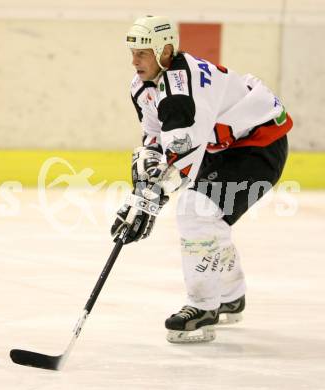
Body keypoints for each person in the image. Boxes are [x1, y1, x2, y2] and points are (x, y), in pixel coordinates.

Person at [111, 15, 293, 343]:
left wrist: (147, 202)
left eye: (143, 52)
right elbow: (154, 141)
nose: (134, 60)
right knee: (208, 218)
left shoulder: (182, 94)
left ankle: (204, 306)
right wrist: (140, 191)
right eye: (132, 52)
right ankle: (230, 295)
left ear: (165, 51)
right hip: (224, 143)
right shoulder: (142, 87)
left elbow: (182, 161)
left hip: (259, 144)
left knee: (195, 210)